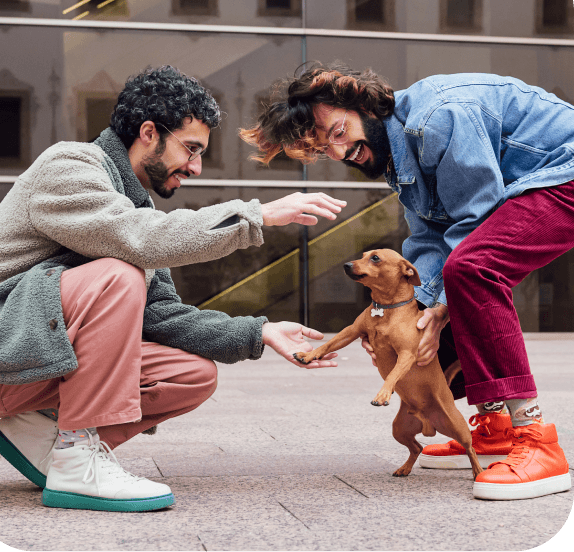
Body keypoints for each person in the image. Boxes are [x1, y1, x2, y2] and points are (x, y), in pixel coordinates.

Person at [0, 65, 344, 513]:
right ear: (148, 132)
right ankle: (77, 463)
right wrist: (256, 214)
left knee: (191, 374)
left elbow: (161, 314)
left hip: (37, 357)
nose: (196, 167)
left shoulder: (136, 201)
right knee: (119, 273)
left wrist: (259, 331)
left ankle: (41, 435)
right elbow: (140, 237)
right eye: (190, 149)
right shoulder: (69, 165)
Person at [240, 62, 574, 501]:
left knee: (471, 270)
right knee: (429, 304)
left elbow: (475, 218)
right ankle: (494, 431)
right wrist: (417, 312)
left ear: (362, 104)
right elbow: (431, 236)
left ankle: (537, 442)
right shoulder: (401, 153)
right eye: (324, 149)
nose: (339, 153)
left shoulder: (437, 118)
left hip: (563, 171)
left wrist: (437, 310)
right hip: (534, 184)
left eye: (338, 132)